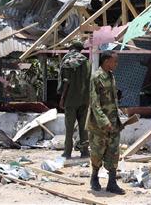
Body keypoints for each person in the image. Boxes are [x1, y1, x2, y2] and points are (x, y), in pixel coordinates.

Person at [87, 51, 125, 195]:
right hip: (99, 125)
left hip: (114, 123)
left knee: (114, 152)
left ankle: (112, 183)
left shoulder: (111, 76)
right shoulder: (96, 77)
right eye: (114, 61)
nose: (116, 64)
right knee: (97, 152)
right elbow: (94, 103)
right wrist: (104, 121)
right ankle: (94, 177)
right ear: (106, 61)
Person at [57, 39, 91, 159]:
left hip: (70, 99)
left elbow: (66, 82)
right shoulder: (87, 62)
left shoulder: (68, 60)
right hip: (84, 99)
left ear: (71, 48)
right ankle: (85, 152)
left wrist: (62, 98)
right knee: (83, 127)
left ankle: (67, 152)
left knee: (69, 128)